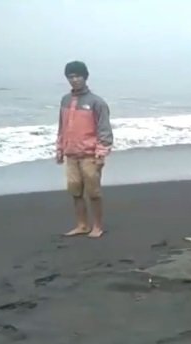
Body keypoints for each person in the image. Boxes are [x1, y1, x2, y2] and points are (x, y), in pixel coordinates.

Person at [55, 60, 113, 238]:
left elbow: (104, 130)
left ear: (85, 77)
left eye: (78, 76)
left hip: (90, 155)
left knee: (93, 192)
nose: (74, 80)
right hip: (71, 154)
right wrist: (60, 148)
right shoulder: (65, 100)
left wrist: (101, 153)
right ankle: (82, 225)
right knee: (75, 191)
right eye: (71, 77)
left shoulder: (97, 102)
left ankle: (97, 226)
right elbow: (62, 127)